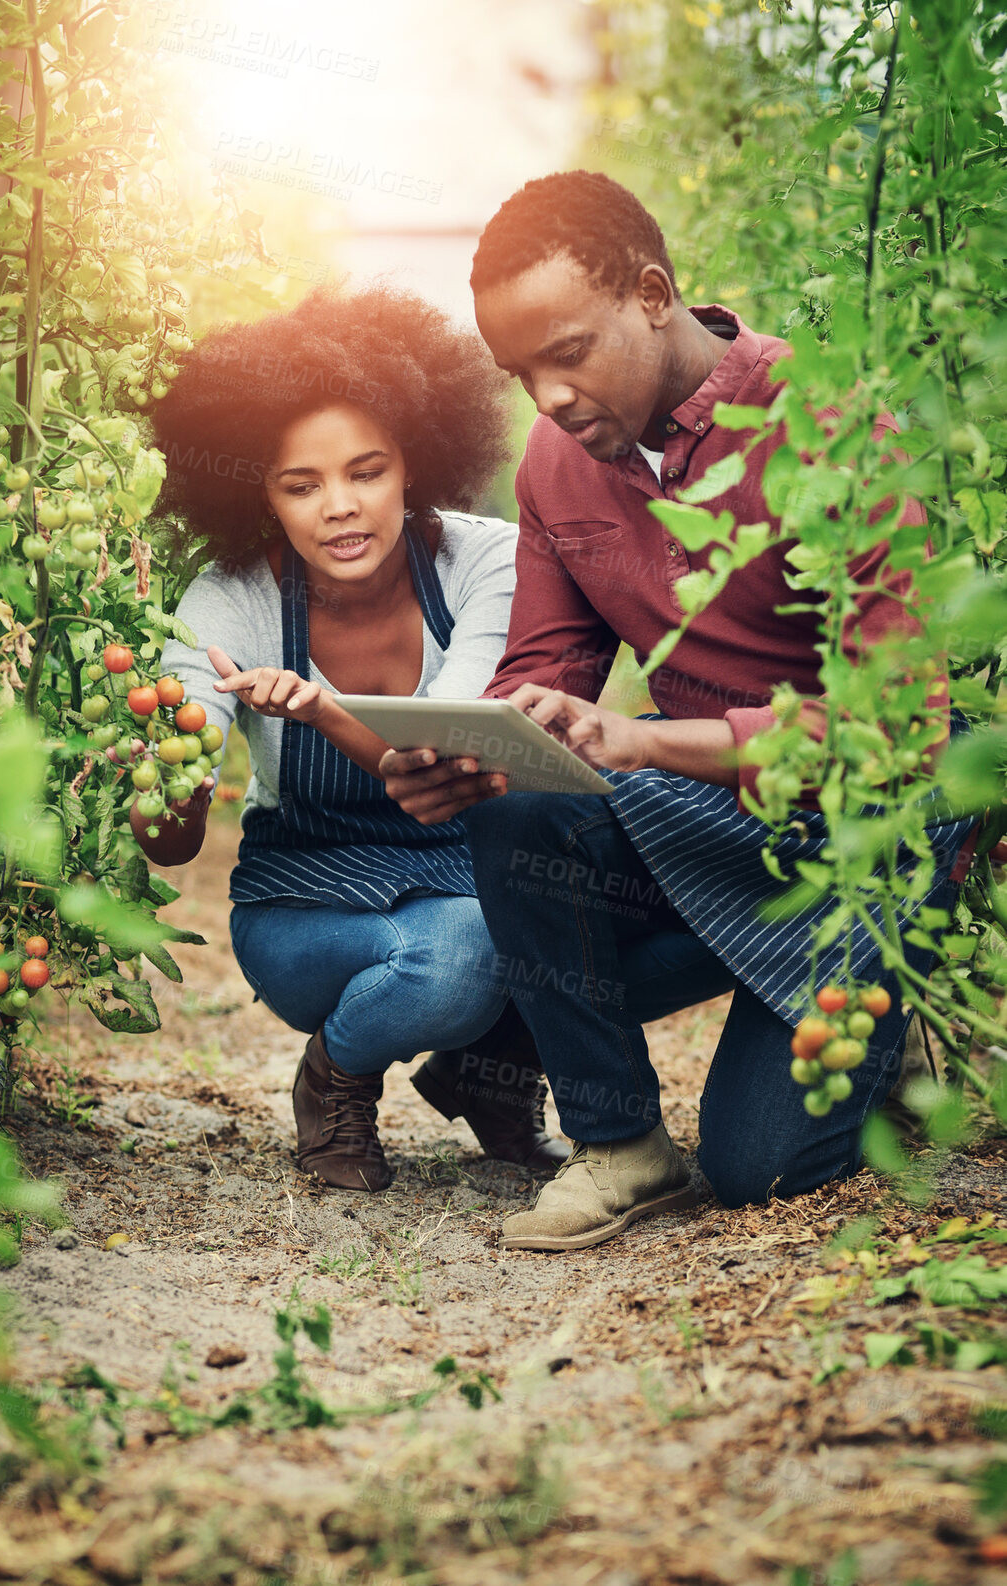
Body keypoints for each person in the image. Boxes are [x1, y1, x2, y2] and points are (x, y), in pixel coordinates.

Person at [378, 171, 976, 1249]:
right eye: (523, 373)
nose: (549, 397)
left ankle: (894, 991)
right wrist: (476, 754)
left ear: (653, 293)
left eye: (569, 353)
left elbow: (893, 731)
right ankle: (622, 1145)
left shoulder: (832, 428)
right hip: (712, 813)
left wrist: (644, 738)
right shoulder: (558, 467)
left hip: (861, 820)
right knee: (516, 816)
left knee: (761, 1167)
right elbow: (546, 678)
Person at [134, 285, 569, 1192]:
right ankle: (336, 1079)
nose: (340, 506)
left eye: (365, 472)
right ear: (260, 492)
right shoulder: (232, 600)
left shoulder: (483, 559)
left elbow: (445, 750)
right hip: (306, 912)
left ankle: (489, 1075)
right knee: (465, 956)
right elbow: (172, 839)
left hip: (459, 874)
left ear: (415, 461)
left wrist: (323, 709)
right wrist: (154, 766)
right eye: (302, 485)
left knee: (537, 904)